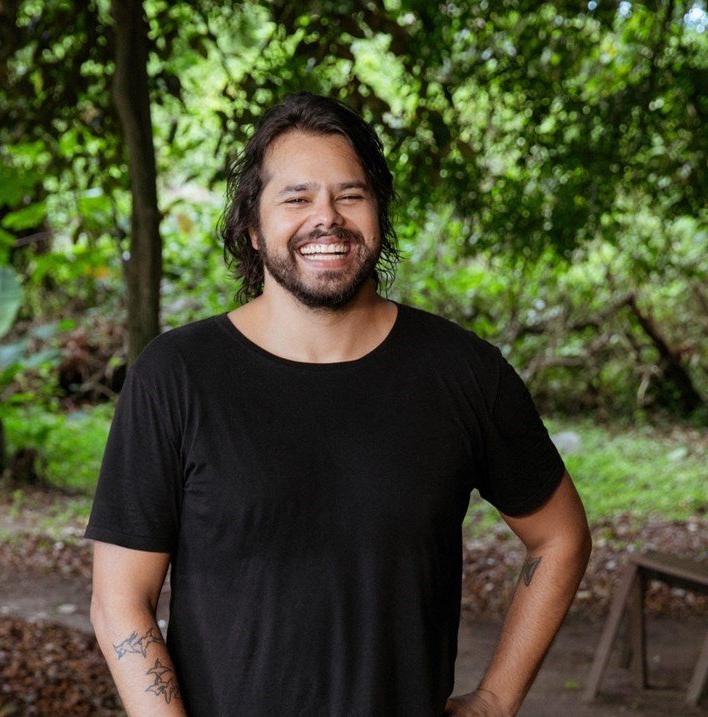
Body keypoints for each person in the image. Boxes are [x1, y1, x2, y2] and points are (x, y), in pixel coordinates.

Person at [85, 92, 592, 717]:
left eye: (350, 195)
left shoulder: (464, 372)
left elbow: (560, 537)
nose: (327, 218)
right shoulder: (176, 375)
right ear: (252, 226)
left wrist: (494, 699)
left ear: (378, 214)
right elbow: (120, 602)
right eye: (296, 198)